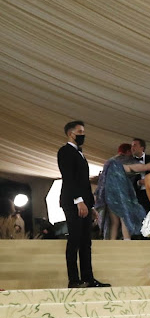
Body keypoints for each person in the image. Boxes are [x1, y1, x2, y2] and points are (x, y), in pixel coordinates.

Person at [57, 120, 110, 288]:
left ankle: (88, 277)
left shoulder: (80, 153)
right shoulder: (65, 151)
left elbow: (84, 182)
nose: (82, 135)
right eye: (79, 131)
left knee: (86, 241)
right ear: (71, 133)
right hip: (72, 201)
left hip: (85, 202)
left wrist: (91, 205)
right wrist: (78, 200)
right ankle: (74, 280)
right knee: (75, 239)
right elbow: (69, 178)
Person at [94, 143, 150, 240]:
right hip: (122, 194)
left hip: (109, 195)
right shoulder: (125, 161)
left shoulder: (109, 162)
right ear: (128, 151)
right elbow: (142, 167)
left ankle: (111, 244)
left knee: (114, 222)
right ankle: (126, 241)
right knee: (125, 218)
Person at [130, 138, 150, 213]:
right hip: (138, 194)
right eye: (132, 146)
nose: (132, 148)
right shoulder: (130, 161)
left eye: (135, 145)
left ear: (142, 148)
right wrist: (138, 183)